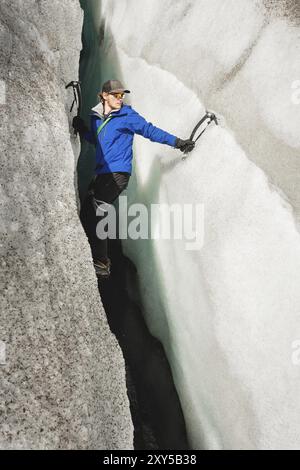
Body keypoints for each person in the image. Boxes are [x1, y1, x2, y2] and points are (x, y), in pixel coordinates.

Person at [73, 79, 195, 278]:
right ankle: (82, 250)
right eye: (116, 95)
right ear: (104, 95)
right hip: (102, 173)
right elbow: (98, 141)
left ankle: (102, 263)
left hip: (118, 174)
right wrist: (83, 129)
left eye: (122, 95)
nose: (120, 99)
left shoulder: (127, 115)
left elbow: (150, 130)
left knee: (99, 209)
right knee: (87, 210)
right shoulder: (96, 117)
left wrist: (177, 142)